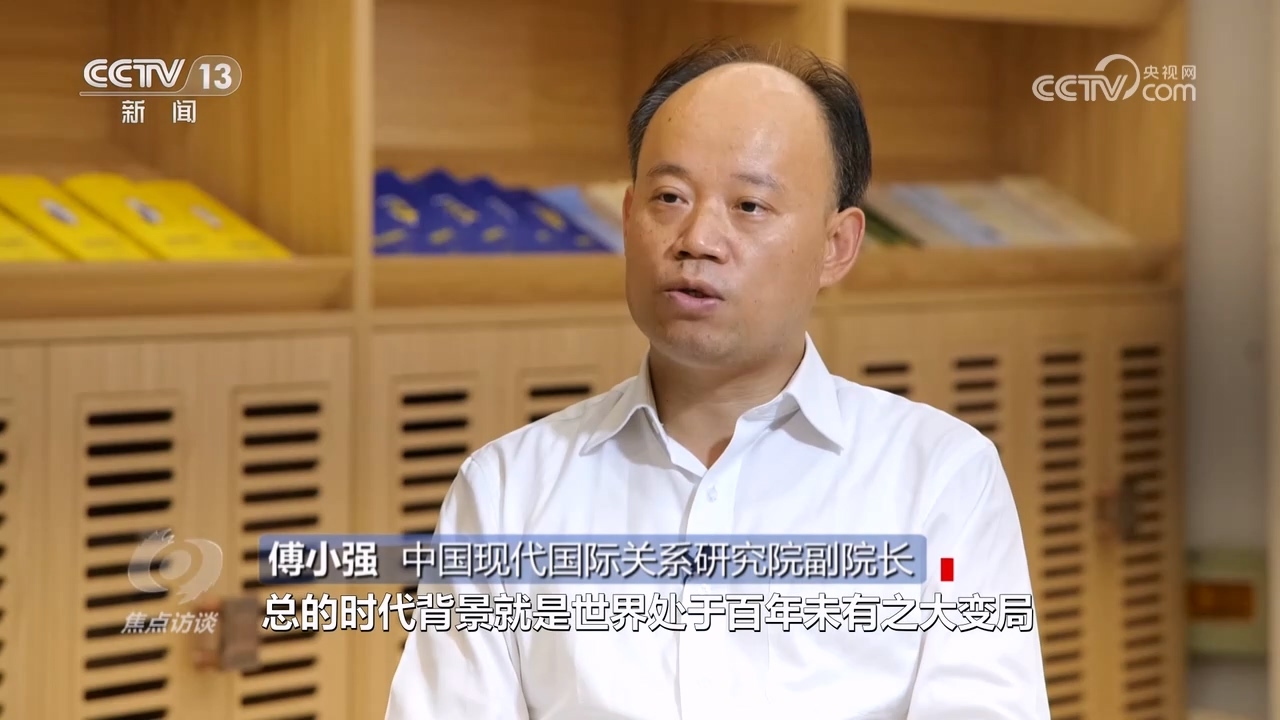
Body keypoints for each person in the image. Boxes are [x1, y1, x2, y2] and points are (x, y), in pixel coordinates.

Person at [386, 41, 1051, 720]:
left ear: (836, 246)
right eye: (669, 197)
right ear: (628, 218)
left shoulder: (942, 477)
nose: (697, 238)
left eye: (750, 205)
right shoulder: (507, 490)